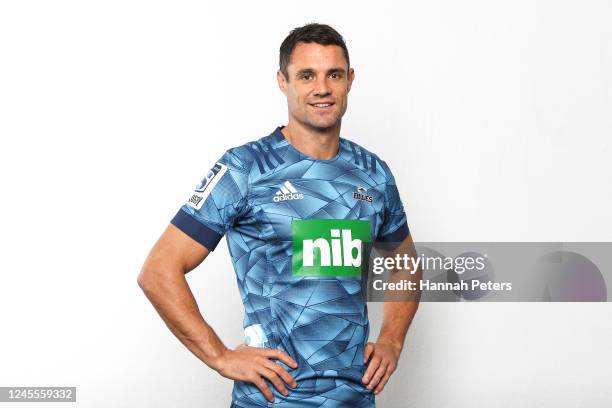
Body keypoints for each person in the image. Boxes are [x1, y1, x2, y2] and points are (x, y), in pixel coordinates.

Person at [138, 23, 420, 408]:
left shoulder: (373, 173)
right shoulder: (246, 169)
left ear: (350, 81)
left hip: (355, 398)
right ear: (282, 82)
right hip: (273, 400)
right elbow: (158, 270)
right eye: (307, 75)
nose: (322, 88)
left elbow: (405, 265)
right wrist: (220, 356)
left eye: (333, 74)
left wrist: (391, 340)